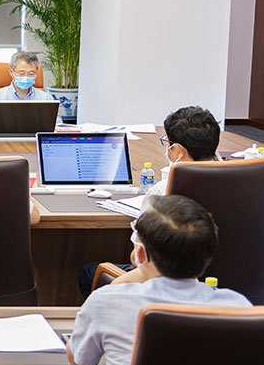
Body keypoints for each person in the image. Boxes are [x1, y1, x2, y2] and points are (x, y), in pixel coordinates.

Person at [40, 194, 251, 365]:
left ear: (139, 256)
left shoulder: (108, 302)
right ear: (208, 254)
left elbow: (79, 361)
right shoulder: (239, 307)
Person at [75, 105, 222, 297]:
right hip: (232, 281)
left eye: (167, 143)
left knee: (89, 272)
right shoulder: (244, 181)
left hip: (168, 286)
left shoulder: (163, 189)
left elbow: (139, 259)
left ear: (178, 151)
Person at [0, 50, 60, 134]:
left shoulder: (46, 99)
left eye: (31, 74)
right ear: (11, 72)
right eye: (21, 73)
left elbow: (58, 127)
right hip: (4, 141)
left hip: (35, 141)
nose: (26, 77)